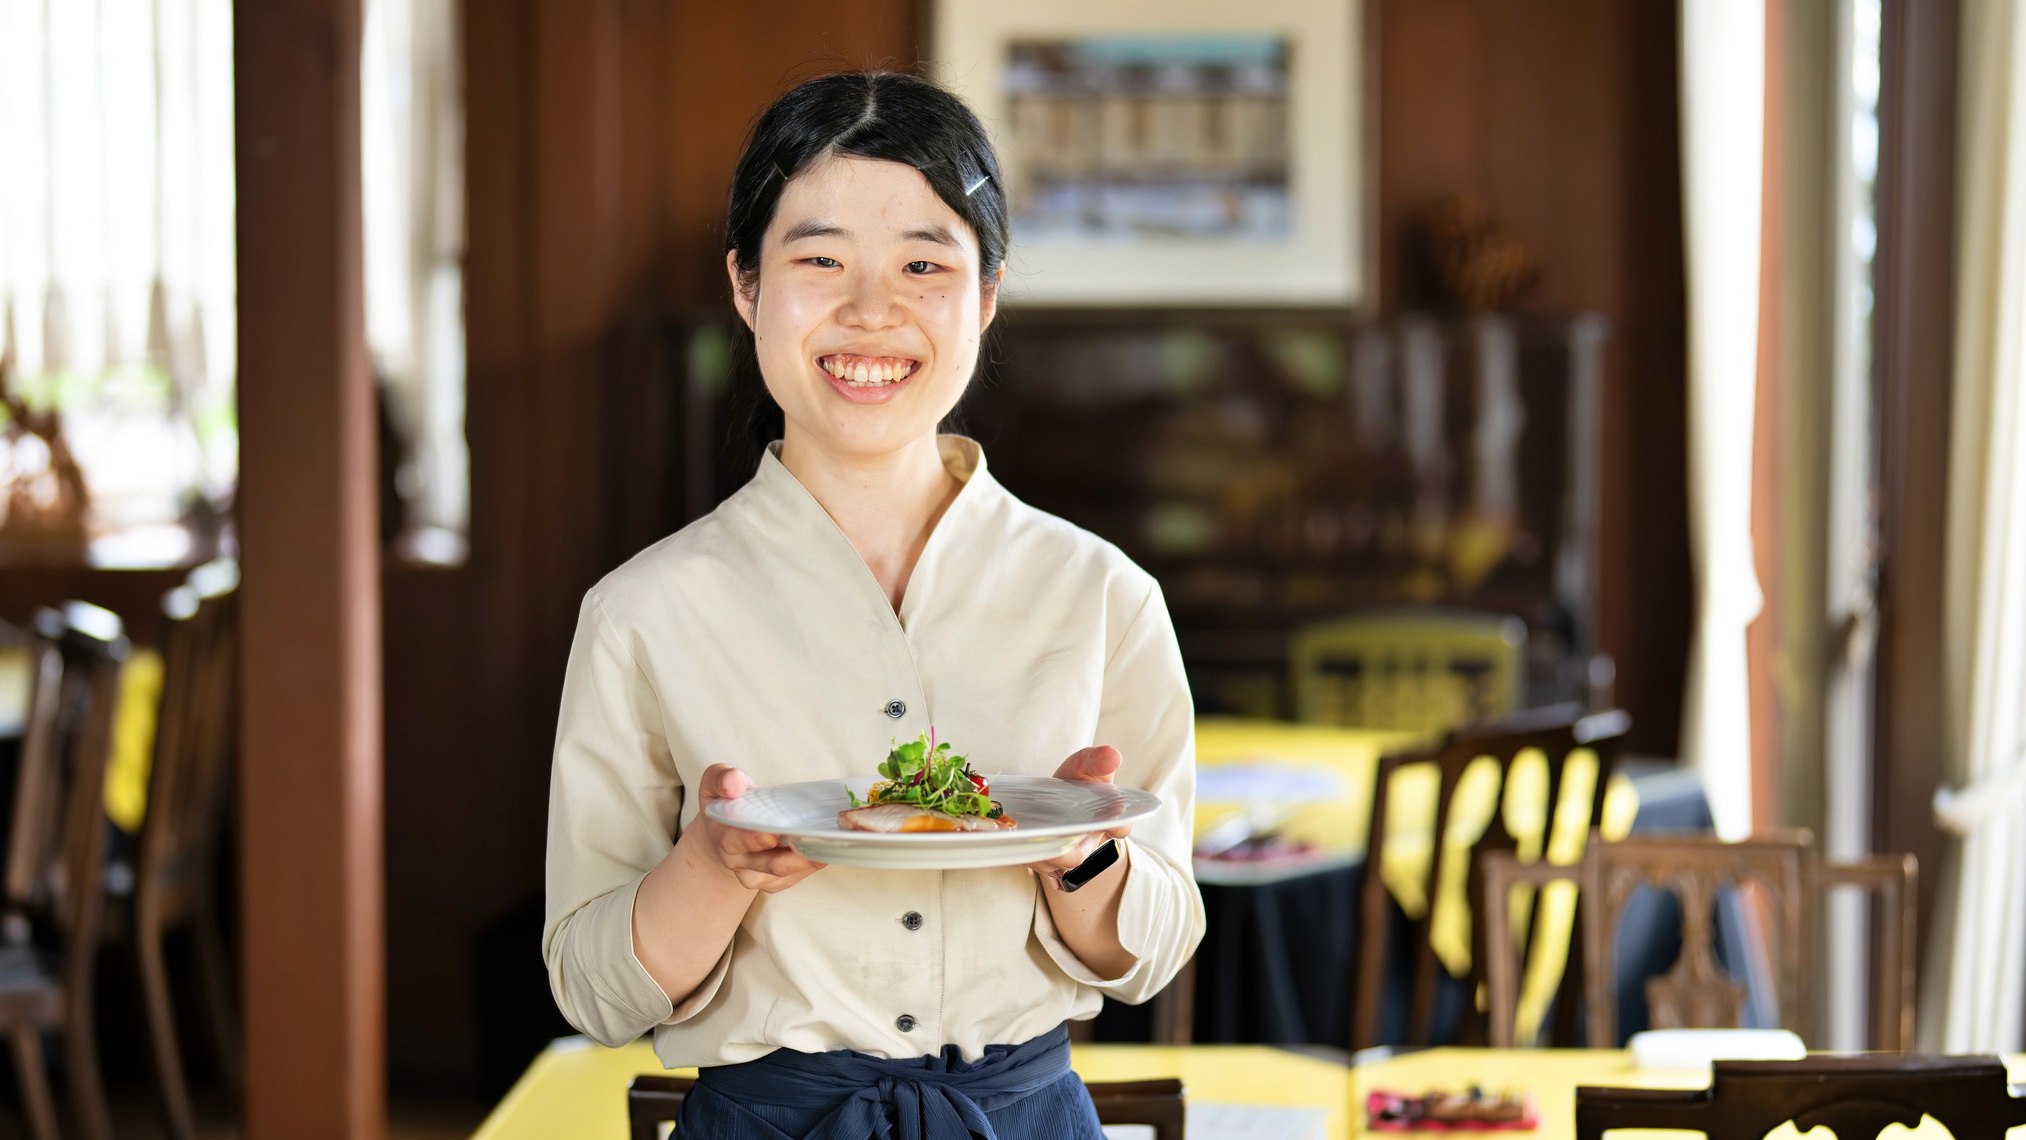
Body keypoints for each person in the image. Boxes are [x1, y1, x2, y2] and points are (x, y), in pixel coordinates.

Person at [542, 70, 1204, 1139]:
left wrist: (1078, 854)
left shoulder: (1101, 594)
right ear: (747, 287)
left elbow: (1160, 943)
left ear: (983, 298)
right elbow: (590, 987)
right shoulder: (642, 612)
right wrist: (714, 867)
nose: (871, 311)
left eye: (922, 265)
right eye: (818, 261)